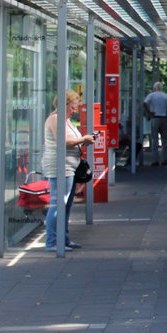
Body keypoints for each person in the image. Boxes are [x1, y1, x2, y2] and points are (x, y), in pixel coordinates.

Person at [43, 90, 97, 252]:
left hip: (69, 165)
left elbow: (71, 142)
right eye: (73, 108)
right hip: (60, 166)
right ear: (64, 105)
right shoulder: (55, 119)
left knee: (65, 204)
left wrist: (83, 142)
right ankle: (52, 241)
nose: (75, 111)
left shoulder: (66, 121)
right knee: (59, 204)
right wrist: (84, 139)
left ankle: (63, 239)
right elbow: (64, 142)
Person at [143, 81, 167, 166]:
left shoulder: (151, 95)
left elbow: (145, 103)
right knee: (164, 140)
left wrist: (149, 112)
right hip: (164, 118)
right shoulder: (165, 96)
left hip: (155, 118)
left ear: (154, 88)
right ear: (161, 88)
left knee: (154, 140)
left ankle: (155, 160)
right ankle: (165, 159)